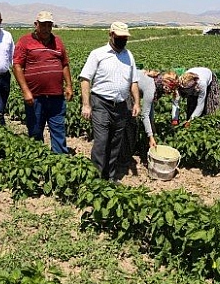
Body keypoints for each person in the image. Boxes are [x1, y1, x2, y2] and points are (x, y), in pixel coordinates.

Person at [79, 22, 140, 181]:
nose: (122, 40)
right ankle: (96, 178)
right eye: (119, 37)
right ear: (111, 34)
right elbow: (85, 79)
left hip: (121, 106)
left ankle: (110, 178)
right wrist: (86, 104)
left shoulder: (129, 55)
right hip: (101, 104)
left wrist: (136, 103)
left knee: (115, 143)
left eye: (125, 38)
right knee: (101, 142)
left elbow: (134, 81)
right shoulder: (98, 54)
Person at [13, 11, 73, 153]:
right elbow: (17, 66)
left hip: (56, 97)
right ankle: (38, 159)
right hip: (35, 97)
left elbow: (64, 64)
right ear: (36, 24)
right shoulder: (25, 41)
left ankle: (60, 162)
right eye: (43, 25)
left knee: (58, 130)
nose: (46, 28)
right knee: (35, 130)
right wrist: (25, 91)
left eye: (49, 25)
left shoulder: (57, 42)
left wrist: (69, 85)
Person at [135, 69, 178, 148]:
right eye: (169, 91)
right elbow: (144, 115)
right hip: (122, 88)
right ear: (166, 86)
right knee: (131, 123)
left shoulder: (157, 83)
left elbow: (150, 111)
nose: (167, 94)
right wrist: (151, 137)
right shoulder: (151, 88)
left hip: (129, 88)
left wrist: (153, 128)